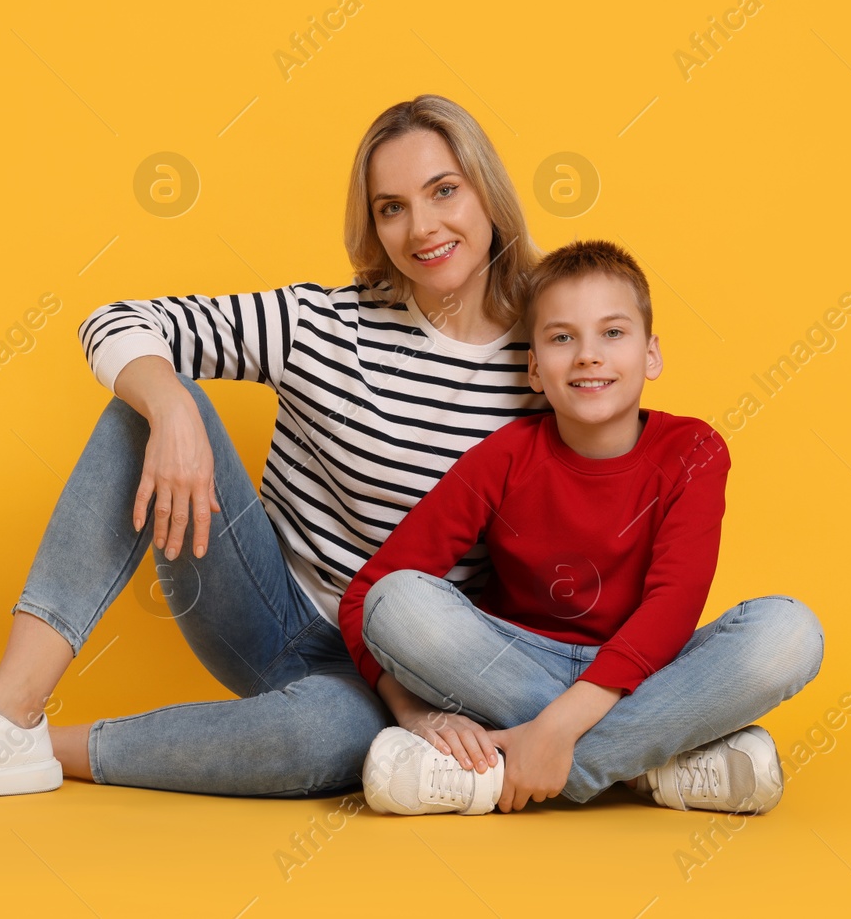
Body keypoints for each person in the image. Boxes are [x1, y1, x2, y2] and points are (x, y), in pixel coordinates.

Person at [0, 93, 553, 806]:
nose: (422, 226)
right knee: (146, 407)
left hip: (391, 680)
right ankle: (7, 706)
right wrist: (172, 405)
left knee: (327, 745)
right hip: (260, 606)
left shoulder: (550, 355)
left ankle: (24, 747)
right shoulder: (322, 322)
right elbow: (117, 320)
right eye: (391, 206)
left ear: (486, 192)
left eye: (444, 191)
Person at [337, 239, 825, 817]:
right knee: (398, 604)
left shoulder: (693, 449)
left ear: (651, 355)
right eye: (562, 337)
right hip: (517, 665)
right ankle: (652, 764)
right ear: (535, 368)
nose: (588, 356)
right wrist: (416, 714)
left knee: (789, 631)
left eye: (612, 333)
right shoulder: (503, 459)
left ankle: (497, 776)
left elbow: (673, 604)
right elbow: (368, 596)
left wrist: (557, 730)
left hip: (647, 669)